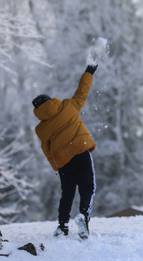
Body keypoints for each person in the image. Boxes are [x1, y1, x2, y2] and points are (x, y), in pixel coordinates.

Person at [32, 65, 98, 240]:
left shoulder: (40, 129)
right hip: (81, 152)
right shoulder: (68, 106)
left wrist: (56, 166)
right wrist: (89, 73)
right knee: (88, 188)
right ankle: (83, 216)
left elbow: (46, 150)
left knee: (67, 194)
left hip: (64, 162)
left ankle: (62, 226)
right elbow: (82, 92)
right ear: (51, 101)